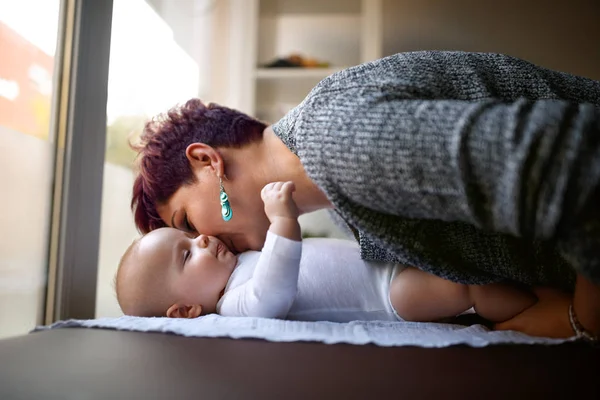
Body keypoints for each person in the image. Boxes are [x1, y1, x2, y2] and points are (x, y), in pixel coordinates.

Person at [130, 51, 600, 342]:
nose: (208, 239)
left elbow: (581, 162)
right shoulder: (349, 209)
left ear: (207, 161)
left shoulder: (339, 143)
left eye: (189, 222)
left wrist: (580, 318)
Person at [117, 180, 537, 324]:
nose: (203, 238)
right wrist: (283, 221)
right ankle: (533, 313)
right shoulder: (236, 304)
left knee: (465, 272)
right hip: (388, 296)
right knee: (467, 290)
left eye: (191, 236)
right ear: (186, 310)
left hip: (382, 264)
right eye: (188, 254)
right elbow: (274, 293)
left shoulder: (241, 261)